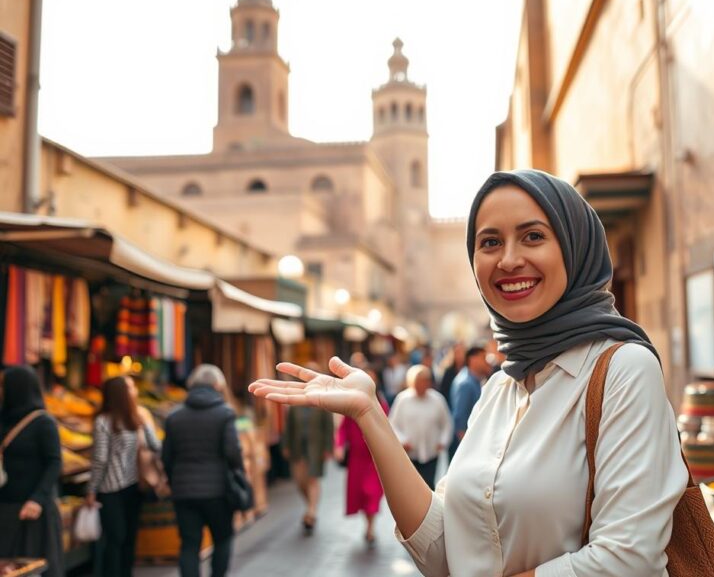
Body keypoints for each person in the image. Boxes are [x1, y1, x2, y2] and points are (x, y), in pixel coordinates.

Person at [252, 169, 687, 576]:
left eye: (533, 236)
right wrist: (370, 414)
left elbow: (628, 561)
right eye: (490, 242)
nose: (509, 260)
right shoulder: (500, 388)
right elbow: (444, 551)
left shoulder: (623, 371)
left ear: (575, 247)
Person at [162, 365, 243, 577]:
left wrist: (175, 481)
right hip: (218, 491)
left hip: (184, 492)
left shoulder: (174, 417)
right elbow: (233, 452)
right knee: (223, 539)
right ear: (217, 386)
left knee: (189, 544)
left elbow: (167, 457)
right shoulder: (225, 414)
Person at [85, 376, 160, 577]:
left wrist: (92, 489)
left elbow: (100, 460)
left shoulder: (103, 421)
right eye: (130, 388)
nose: (134, 391)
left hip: (111, 489)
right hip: (133, 486)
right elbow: (155, 445)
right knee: (128, 539)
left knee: (115, 540)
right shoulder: (135, 418)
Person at [0, 366, 64, 577]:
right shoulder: (4, 420)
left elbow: (54, 462)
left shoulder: (43, 422)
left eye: (3, 385)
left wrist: (37, 499)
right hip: (6, 509)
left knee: (34, 568)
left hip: (33, 512)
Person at [335, 369, 389, 545]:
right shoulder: (350, 402)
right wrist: (339, 446)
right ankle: (369, 525)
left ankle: (371, 527)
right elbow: (344, 428)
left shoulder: (381, 403)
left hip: (375, 457)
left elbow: (387, 427)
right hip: (357, 458)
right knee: (360, 493)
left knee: (371, 492)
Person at [281, 364, 335, 535]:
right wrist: (286, 445)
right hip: (298, 448)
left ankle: (311, 512)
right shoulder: (295, 401)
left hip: (316, 448)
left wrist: (328, 447)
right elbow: (288, 427)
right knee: (300, 481)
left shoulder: (323, 400)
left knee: (312, 479)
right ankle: (310, 506)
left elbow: (329, 427)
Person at [389, 365, 452, 489]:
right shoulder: (402, 400)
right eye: (419, 382)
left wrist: (442, 441)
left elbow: (447, 424)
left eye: (425, 381)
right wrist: (403, 440)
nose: (422, 385)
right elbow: (392, 424)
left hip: (431, 453)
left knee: (428, 486)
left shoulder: (437, 399)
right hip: (409, 454)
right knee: (410, 488)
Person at [447, 345, 491, 459]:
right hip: (466, 447)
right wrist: (467, 450)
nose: (487, 361)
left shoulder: (474, 380)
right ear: (473, 359)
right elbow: (460, 419)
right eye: (483, 357)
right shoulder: (465, 383)